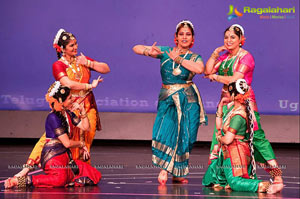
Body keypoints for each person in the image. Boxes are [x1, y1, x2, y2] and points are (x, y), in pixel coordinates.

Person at [15, 29, 110, 177]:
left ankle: (79, 173)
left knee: (86, 138)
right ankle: (27, 168)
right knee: (49, 137)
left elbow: (106, 69)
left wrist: (88, 62)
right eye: (71, 45)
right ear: (62, 49)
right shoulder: (58, 65)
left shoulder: (82, 59)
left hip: (87, 106)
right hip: (69, 106)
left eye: (76, 43)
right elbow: (68, 84)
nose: (75, 47)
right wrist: (89, 86)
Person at [204, 24, 283, 192]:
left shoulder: (246, 57)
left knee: (257, 139)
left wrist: (215, 77)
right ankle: (222, 178)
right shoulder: (224, 57)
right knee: (221, 138)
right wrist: (214, 54)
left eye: (233, 37)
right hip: (226, 103)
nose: (228, 40)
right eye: (226, 37)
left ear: (241, 40)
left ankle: (277, 177)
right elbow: (206, 71)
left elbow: (235, 79)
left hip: (243, 102)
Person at [132, 20, 207, 185]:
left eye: (188, 34)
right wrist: (148, 52)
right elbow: (136, 48)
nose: (185, 37)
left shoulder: (195, 57)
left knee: (187, 136)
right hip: (168, 98)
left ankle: (178, 172)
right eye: (181, 34)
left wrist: (178, 59)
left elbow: (200, 69)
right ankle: (164, 169)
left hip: (188, 100)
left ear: (193, 38)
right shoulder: (165, 51)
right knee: (166, 131)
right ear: (176, 37)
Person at [5, 82, 101, 188]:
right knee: (59, 180)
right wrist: (82, 143)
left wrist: (82, 111)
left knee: (93, 173)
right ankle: (21, 181)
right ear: (61, 101)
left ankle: (67, 177)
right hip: (53, 158)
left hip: (65, 158)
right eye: (69, 98)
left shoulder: (68, 113)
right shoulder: (53, 118)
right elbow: (67, 143)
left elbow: (85, 127)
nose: (72, 100)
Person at [202, 79, 280, 194]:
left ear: (234, 95)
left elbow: (228, 139)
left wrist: (219, 138)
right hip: (229, 150)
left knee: (235, 182)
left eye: (228, 92)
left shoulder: (239, 115)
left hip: (235, 152)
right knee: (209, 177)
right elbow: (219, 129)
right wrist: (220, 107)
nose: (226, 94)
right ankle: (275, 176)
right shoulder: (233, 110)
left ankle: (270, 182)